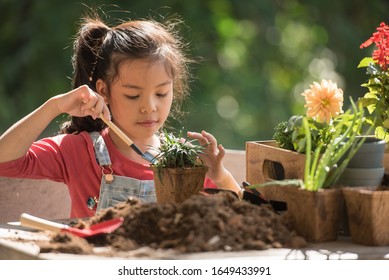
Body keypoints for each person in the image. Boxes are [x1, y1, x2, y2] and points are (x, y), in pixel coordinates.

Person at [0, 12, 241, 218]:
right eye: (133, 96)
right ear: (103, 91)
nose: (149, 107)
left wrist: (219, 176)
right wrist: (54, 106)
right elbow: (5, 160)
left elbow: (244, 211)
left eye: (161, 93)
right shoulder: (80, 151)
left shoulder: (183, 161)